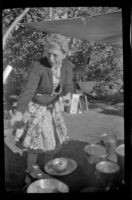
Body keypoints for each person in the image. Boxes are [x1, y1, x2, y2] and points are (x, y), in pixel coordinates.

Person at [11, 34, 74, 180]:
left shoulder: (67, 65)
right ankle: (31, 170)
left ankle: (48, 166)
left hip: (54, 108)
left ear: (65, 54)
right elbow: (28, 90)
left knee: (54, 141)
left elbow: (69, 84)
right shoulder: (39, 65)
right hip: (37, 109)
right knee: (35, 143)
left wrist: (68, 95)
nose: (51, 59)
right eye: (48, 54)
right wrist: (19, 112)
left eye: (55, 55)